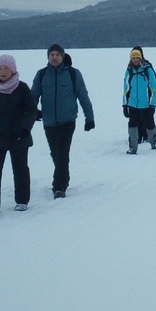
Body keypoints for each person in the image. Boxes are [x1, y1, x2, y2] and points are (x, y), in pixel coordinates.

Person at [0, 54, 38, 216]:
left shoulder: (22, 88)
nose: (2, 71)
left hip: (19, 136)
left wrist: (26, 128)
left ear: (13, 70)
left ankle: (22, 201)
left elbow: (32, 110)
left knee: (20, 170)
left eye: (6, 68)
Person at [31, 43, 95, 199]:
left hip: (68, 121)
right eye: (52, 55)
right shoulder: (41, 75)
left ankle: (59, 187)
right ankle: (63, 179)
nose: (54, 57)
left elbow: (83, 96)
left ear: (63, 56)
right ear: (48, 57)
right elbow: (33, 96)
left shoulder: (73, 74)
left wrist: (89, 117)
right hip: (49, 122)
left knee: (62, 153)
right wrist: (33, 112)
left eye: (57, 55)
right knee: (56, 154)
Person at [122, 47, 156, 154]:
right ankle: (133, 147)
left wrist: (152, 105)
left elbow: (154, 89)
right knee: (132, 125)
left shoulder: (148, 70)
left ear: (140, 58)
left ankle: (153, 142)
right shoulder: (129, 72)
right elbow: (126, 89)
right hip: (133, 104)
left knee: (150, 124)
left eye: (137, 57)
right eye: (133, 58)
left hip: (146, 104)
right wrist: (125, 105)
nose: (135, 60)